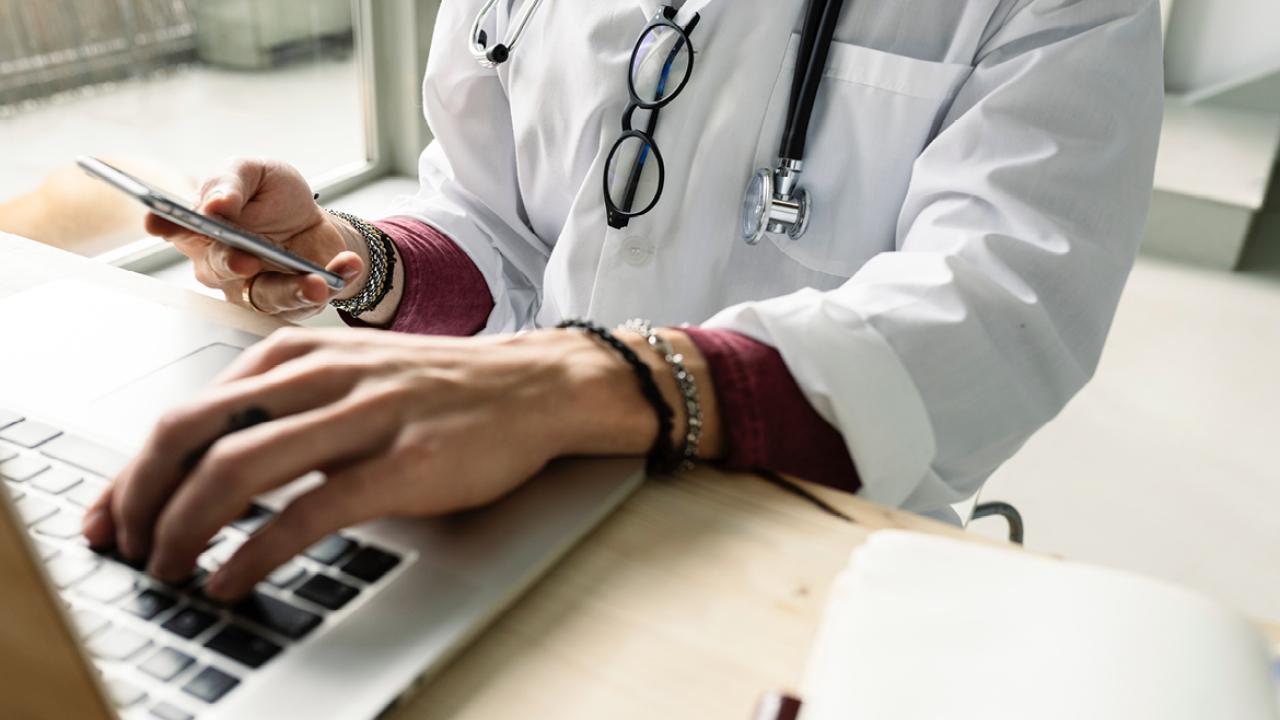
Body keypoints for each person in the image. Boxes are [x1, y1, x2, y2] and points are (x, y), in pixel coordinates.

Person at [82, 0, 1165, 601]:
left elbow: (1006, 300)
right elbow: (497, 219)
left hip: (800, 532)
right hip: (521, 478)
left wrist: (609, 380)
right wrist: (351, 255)